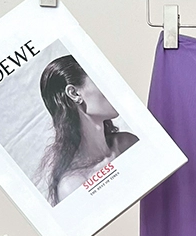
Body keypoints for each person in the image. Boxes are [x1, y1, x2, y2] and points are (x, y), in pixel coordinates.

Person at [38, 55, 139, 205]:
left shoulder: (129, 144)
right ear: (74, 93)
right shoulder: (72, 187)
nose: (112, 88)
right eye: (100, 81)